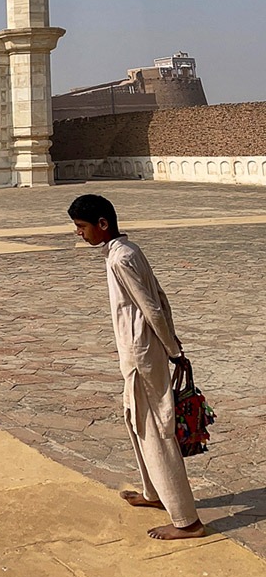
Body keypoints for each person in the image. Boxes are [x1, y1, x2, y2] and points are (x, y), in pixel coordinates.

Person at [67, 194, 205, 540]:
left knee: (155, 428)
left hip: (144, 355)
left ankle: (187, 520)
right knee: (135, 419)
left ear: (103, 224)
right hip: (137, 353)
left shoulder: (121, 259)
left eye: (82, 227)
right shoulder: (124, 252)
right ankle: (154, 492)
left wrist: (173, 350)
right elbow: (159, 298)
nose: (78, 234)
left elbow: (152, 307)